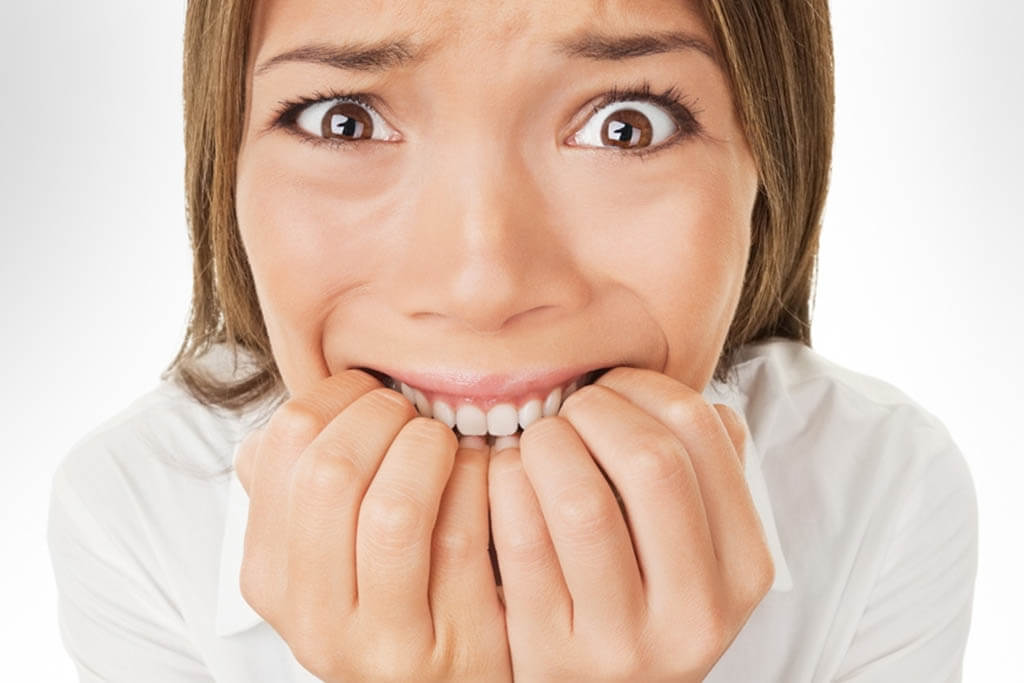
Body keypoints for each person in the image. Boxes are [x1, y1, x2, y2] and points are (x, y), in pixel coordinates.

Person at [46, 0, 978, 680]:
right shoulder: (136, 514)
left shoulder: (881, 491)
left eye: (626, 125)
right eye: (345, 120)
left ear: (767, 170)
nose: (481, 284)